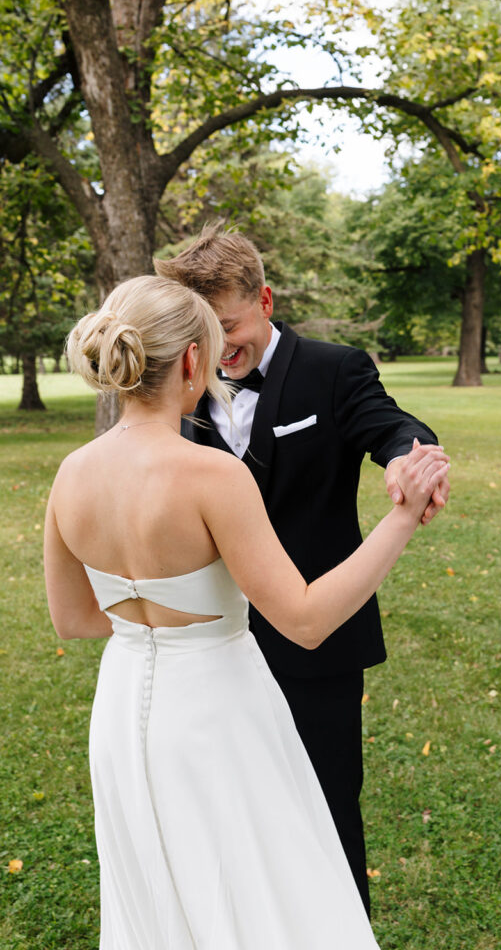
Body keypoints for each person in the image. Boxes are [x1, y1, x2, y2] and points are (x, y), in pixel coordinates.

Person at [43, 275, 450, 950]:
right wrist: (402, 519)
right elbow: (306, 619)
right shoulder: (210, 475)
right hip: (217, 710)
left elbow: (73, 618)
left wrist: (154, 625)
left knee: (159, 887)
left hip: (120, 711)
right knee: (264, 884)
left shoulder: (71, 472)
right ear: (192, 362)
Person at [155, 226, 450, 911]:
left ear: (263, 298)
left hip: (316, 646)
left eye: (227, 325)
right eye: (200, 332)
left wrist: (412, 458)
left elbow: (391, 426)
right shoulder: (182, 378)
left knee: (325, 810)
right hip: (210, 648)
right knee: (229, 817)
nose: (215, 349)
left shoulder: (333, 368)